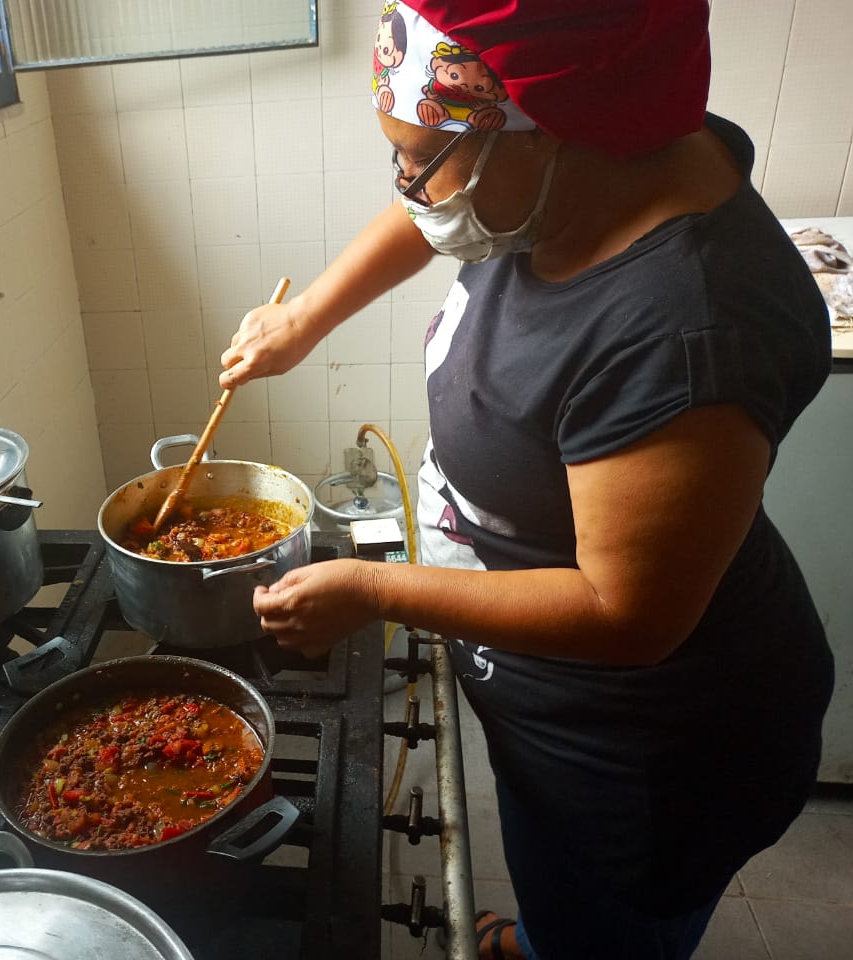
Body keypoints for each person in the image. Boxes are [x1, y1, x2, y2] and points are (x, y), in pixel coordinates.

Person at [218, 2, 835, 958]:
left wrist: (377, 590)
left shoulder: (688, 333)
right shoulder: (586, 168)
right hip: (550, 706)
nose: (411, 191)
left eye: (420, 161)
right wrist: (305, 323)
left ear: (543, 130)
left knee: (606, 931)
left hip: (647, 760)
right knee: (557, 904)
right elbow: (438, 210)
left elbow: (627, 614)